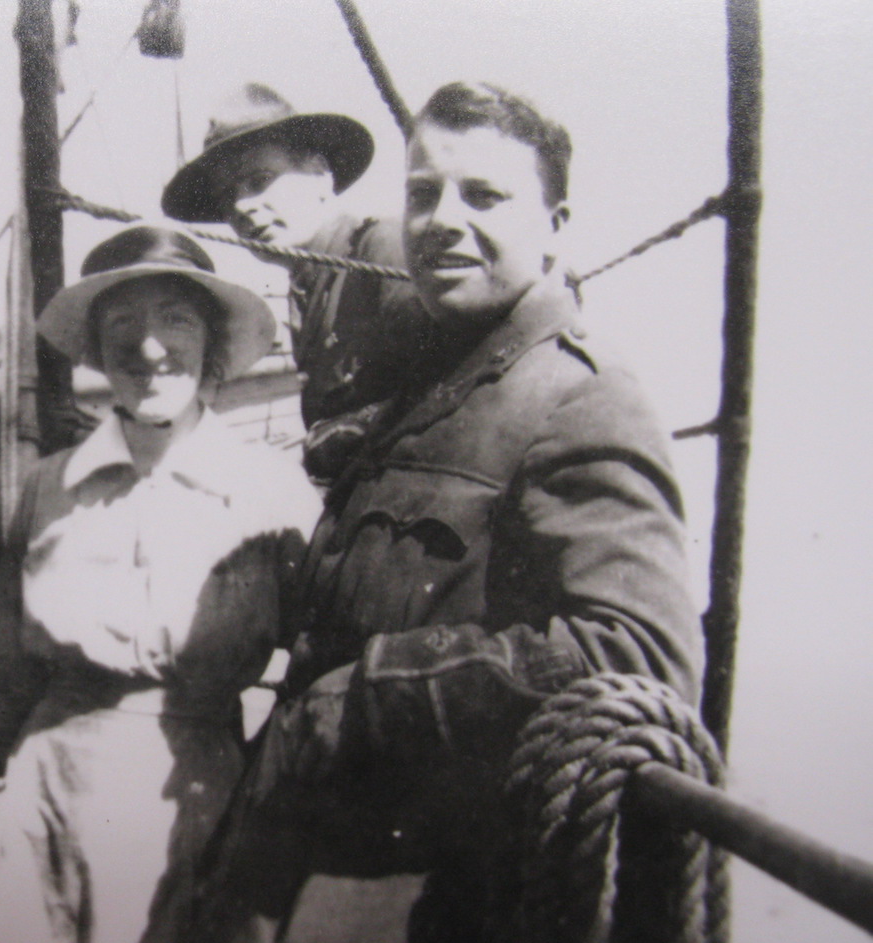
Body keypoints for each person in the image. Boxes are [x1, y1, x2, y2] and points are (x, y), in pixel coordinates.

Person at [190, 82, 702, 942]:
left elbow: (640, 652)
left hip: (444, 889)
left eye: (485, 196)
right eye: (422, 193)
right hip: (326, 858)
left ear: (557, 224)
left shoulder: (578, 396)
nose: (439, 221)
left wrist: (362, 694)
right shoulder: (430, 378)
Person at [0, 226, 323, 943]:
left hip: (197, 806)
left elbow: (316, 669)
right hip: (43, 806)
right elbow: (8, 673)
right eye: (123, 322)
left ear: (211, 344)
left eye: (175, 319)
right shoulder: (49, 485)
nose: (149, 346)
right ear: (96, 346)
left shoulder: (273, 491)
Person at [161, 83, 433, 478]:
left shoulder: (381, 250)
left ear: (320, 174)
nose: (241, 207)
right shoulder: (307, 286)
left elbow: (444, 389)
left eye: (259, 180)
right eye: (226, 196)